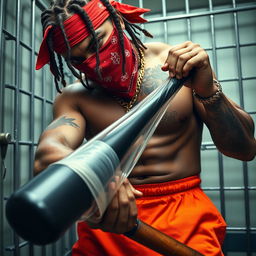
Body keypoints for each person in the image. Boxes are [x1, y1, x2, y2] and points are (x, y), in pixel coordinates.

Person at [34, 0, 256, 255]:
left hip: (184, 217)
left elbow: (244, 150)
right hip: (111, 220)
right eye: (78, 59)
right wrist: (97, 179)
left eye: (97, 44)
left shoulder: (178, 68)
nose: (93, 63)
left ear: (117, 21)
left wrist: (208, 91)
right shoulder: (75, 97)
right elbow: (47, 154)